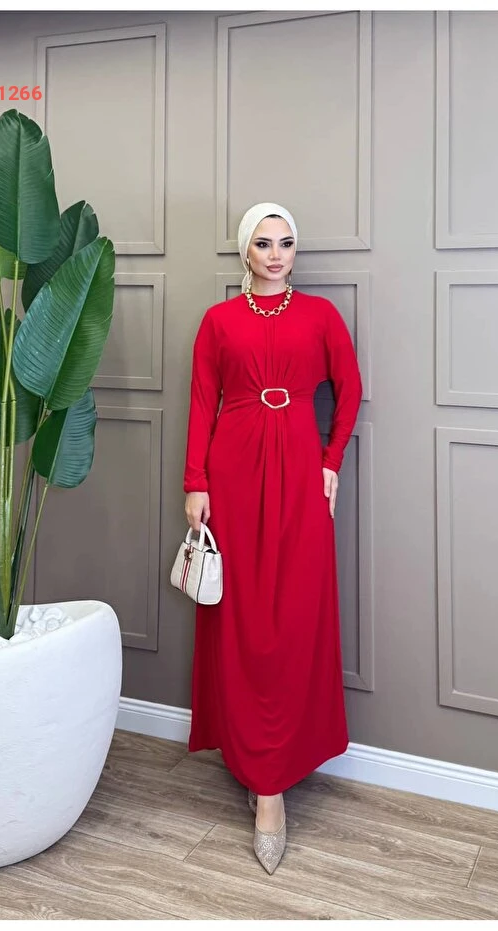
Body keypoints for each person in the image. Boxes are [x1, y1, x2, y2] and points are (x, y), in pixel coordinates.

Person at [183, 202, 362, 873]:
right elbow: (201, 400)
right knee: (242, 614)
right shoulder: (218, 321)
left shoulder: (320, 316)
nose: (277, 254)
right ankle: (261, 781)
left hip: (299, 471)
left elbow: (350, 390)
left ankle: (279, 770)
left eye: (286, 243)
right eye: (264, 243)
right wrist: (194, 482)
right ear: (245, 251)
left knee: (293, 617)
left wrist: (330, 460)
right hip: (232, 470)